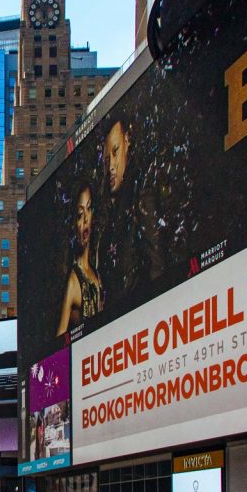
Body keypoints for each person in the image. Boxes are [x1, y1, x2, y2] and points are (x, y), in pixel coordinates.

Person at [97, 118, 163, 305]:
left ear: (127, 141)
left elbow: (157, 268)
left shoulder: (141, 192)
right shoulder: (110, 211)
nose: (110, 166)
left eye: (115, 152)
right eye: (106, 159)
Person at [58, 182, 103, 335]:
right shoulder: (73, 281)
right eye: (79, 214)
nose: (84, 219)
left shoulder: (97, 273)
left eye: (89, 209)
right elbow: (57, 343)